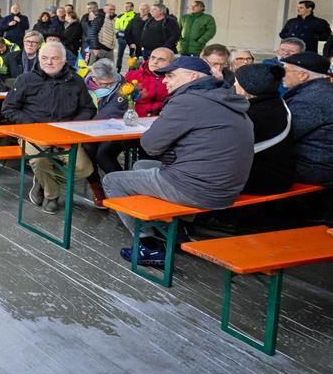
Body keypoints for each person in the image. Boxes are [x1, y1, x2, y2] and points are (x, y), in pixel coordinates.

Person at [103, 56, 253, 267]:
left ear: (192, 76)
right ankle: (174, 229)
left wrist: (169, 151)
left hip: (198, 189)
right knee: (141, 166)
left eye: (171, 75)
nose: (165, 80)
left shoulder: (187, 101)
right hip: (228, 188)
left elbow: (150, 145)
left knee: (112, 181)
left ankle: (149, 246)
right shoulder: (223, 98)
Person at [0, 41, 95, 214]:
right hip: (33, 132)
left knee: (84, 168)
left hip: (65, 134)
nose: (49, 62)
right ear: (38, 58)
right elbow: (8, 108)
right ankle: (52, 195)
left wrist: (71, 126)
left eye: (54, 58)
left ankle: (43, 181)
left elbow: (88, 108)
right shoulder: (25, 80)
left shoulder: (75, 81)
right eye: (44, 58)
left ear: (64, 60)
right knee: (39, 160)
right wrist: (33, 125)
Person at [234, 63, 295, 195]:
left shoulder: (253, 115)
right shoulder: (277, 104)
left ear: (246, 88)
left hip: (262, 181)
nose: (234, 85)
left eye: (236, 82)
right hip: (280, 176)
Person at [281, 51, 333, 191]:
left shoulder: (310, 99)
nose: (282, 74)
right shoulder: (321, 90)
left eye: (286, 70)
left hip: (312, 172)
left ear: (303, 75)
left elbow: (283, 134)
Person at [81, 58, 129, 206]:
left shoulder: (123, 86)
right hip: (89, 129)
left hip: (114, 130)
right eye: (104, 83)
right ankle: (97, 188)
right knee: (86, 150)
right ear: (94, 77)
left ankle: (125, 192)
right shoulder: (85, 82)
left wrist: (88, 123)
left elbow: (112, 111)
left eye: (110, 82)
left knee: (103, 154)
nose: (108, 85)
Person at [124, 47, 173, 116]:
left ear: (171, 63)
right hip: (136, 118)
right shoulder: (132, 75)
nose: (155, 62)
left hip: (163, 117)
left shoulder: (176, 78)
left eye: (161, 59)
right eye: (152, 57)